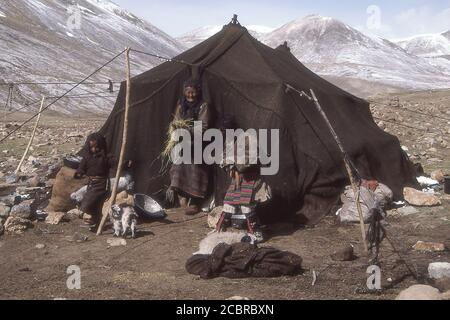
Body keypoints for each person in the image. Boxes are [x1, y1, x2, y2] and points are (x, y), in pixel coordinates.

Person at [166, 78, 212, 214]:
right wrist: (177, 129)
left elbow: (203, 126)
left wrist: (188, 131)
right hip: (184, 142)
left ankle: (195, 201)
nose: (190, 95)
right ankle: (182, 198)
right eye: (188, 92)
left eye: (193, 92)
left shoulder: (204, 106)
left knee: (195, 168)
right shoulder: (181, 104)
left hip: (199, 142)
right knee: (178, 166)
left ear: (198, 92)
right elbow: (176, 121)